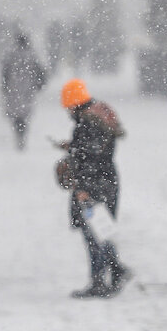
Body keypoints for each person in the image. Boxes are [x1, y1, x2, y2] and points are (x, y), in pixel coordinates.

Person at [58, 78, 127, 298]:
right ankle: (116, 270)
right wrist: (73, 146)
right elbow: (97, 150)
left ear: (74, 103)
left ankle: (100, 281)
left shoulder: (87, 123)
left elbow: (90, 158)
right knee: (101, 229)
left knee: (93, 233)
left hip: (94, 185)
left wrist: (83, 188)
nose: (67, 111)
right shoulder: (99, 115)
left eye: (68, 106)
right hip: (108, 181)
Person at [0, 33, 48, 150]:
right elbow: (41, 72)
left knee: (16, 114)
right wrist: (39, 84)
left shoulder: (11, 55)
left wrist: (5, 86)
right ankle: (22, 134)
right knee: (24, 114)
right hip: (28, 89)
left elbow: (5, 73)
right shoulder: (32, 56)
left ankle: (19, 133)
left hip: (14, 89)